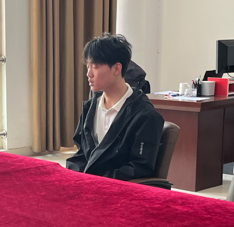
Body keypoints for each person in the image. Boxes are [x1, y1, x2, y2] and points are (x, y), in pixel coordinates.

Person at [66, 33, 164, 181]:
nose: (88, 74)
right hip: (89, 185)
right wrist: (75, 176)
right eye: (88, 66)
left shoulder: (145, 115)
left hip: (117, 188)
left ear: (117, 69)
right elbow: (82, 154)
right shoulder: (90, 107)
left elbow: (139, 167)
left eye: (95, 67)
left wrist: (99, 181)